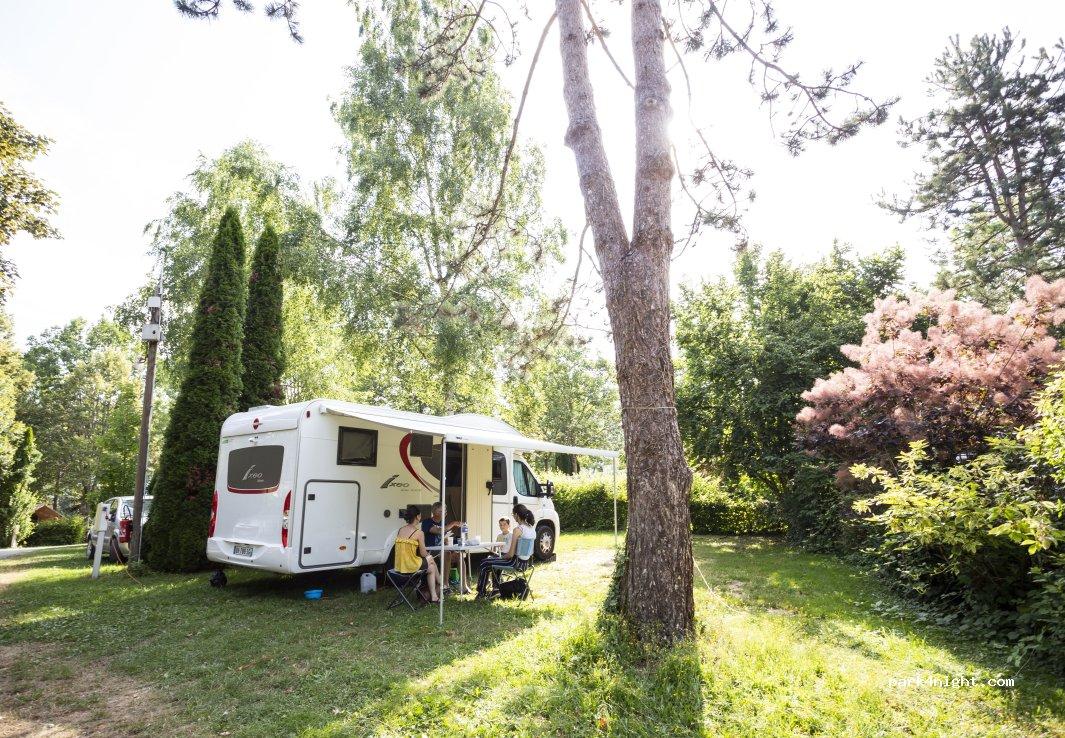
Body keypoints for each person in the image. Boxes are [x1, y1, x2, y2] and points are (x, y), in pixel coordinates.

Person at [476, 504, 536, 598]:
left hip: (514, 563)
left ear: (516, 515)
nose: (513, 517)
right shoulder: (532, 529)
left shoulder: (518, 530)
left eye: (513, 515)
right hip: (525, 564)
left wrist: (501, 557)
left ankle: (481, 594)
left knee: (484, 563)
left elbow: (510, 554)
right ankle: (495, 589)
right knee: (489, 562)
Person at [393, 505, 439, 603]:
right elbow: (423, 553)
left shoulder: (400, 530)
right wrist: (428, 555)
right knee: (431, 558)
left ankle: (434, 596)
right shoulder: (419, 533)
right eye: (420, 516)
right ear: (417, 516)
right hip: (410, 566)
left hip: (399, 567)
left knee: (431, 568)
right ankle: (441, 584)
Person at [422, 501, 464, 586]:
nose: (444, 513)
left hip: (442, 549)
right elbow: (438, 530)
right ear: (434, 512)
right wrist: (453, 523)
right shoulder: (426, 522)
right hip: (431, 551)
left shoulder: (443, 523)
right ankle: (445, 584)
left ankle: (463, 585)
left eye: (445, 511)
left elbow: (444, 539)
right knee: (447, 553)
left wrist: (448, 540)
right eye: (441, 511)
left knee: (459, 555)